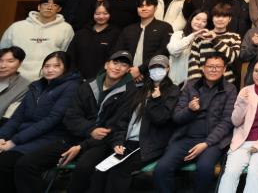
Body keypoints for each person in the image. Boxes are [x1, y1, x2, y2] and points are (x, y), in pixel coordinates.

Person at [92, 55, 179, 193]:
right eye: (153, 67)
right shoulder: (141, 89)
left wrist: (156, 100)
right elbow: (123, 119)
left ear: (167, 68)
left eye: (160, 67)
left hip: (148, 144)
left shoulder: (173, 91)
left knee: (119, 171)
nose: (156, 70)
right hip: (128, 142)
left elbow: (161, 118)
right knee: (100, 169)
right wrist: (118, 142)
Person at [153, 52, 237, 193]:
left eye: (218, 67)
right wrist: (190, 110)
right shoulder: (191, 86)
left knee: (205, 168)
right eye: (210, 66)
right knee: (161, 169)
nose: (213, 70)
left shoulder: (230, 89)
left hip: (212, 142)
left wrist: (206, 143)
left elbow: (227, 122)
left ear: (224, 69)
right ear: (203, 68)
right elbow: (176, 117)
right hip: (186, 138)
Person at [56, 50, 136, 193]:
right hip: (77, 135)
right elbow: (71, 115)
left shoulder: (130, 91)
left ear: (128, 70)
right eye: (115, 63)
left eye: (123, 65)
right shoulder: (88, 85)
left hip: (103, 142)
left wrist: (81, 146)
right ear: (106, 65)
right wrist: (90, 130)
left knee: (84, 168)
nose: (118, 67)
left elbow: (114, 127)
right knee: (28, 162)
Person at [0, 51, 80, 193]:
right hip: (28, 135)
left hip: (53, 137)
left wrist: (14, 142)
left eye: (56, 66)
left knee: (8, 163)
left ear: (66, 68)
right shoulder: (36, 87)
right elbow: (17, 117)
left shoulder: (72, 86)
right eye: (46, 66)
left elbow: (52, 120)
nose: (50, 69)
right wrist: (2, 137)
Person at [218, 57, 258, 193]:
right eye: (256, 71)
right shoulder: (245, 91)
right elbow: (236, 121)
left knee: (255, 171)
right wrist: (242, 102)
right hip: (242, 141)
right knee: (230, 172)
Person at [1, 0, 74, 82]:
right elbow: (3, 51)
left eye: (54, 5)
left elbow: (66, 56)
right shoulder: (17, 27)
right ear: (39, 7)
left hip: (47, 79)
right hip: (15, 77)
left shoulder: (66, 29)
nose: (49, 7)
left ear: (59, 9)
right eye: (45, 4)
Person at [115, 0, 172, 82]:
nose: (144, 8)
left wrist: (140, 69)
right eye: (141, 6)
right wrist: (130, 70)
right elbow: (119, 51)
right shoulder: (128, 29)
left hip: (154, 76)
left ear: (155, 8)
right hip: (127, 75)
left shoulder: (165, 27)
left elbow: (163, 51)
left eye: (148, 5)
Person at [67, 0, 122, 80]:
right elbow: (71, 56)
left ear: (110, 14)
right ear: (92, 14)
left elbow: (116, 59)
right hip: (78, 79)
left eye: (105, 13)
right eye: (97, 14)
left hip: (103, 79)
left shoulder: (116, 33)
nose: (101, 17)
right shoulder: (81, 33)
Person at [187, 3, 241, 84]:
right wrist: (197, 85)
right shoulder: (200, 38)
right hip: (202, 85)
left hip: (226, 84)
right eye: (217, 16)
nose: (220, 19)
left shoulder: (234, 37)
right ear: (212, 18)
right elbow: (193, 63)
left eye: (224, 16)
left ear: (229, 19)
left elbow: (232, 59)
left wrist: (215, 39)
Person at [167, 9, 208, 85]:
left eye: (204, 21)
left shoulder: (206, 40)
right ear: (191, 19)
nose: (199, 23)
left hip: (196, 83)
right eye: (197, 19)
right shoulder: (179, 34)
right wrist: (193, 35)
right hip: (176, 82)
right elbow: (172, 50)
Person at [0, 47, 29, 124]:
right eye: (0, 60)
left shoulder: (25, 86)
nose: (3, 66)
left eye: (10, 61)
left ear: (20, 63)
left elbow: (9, 118)